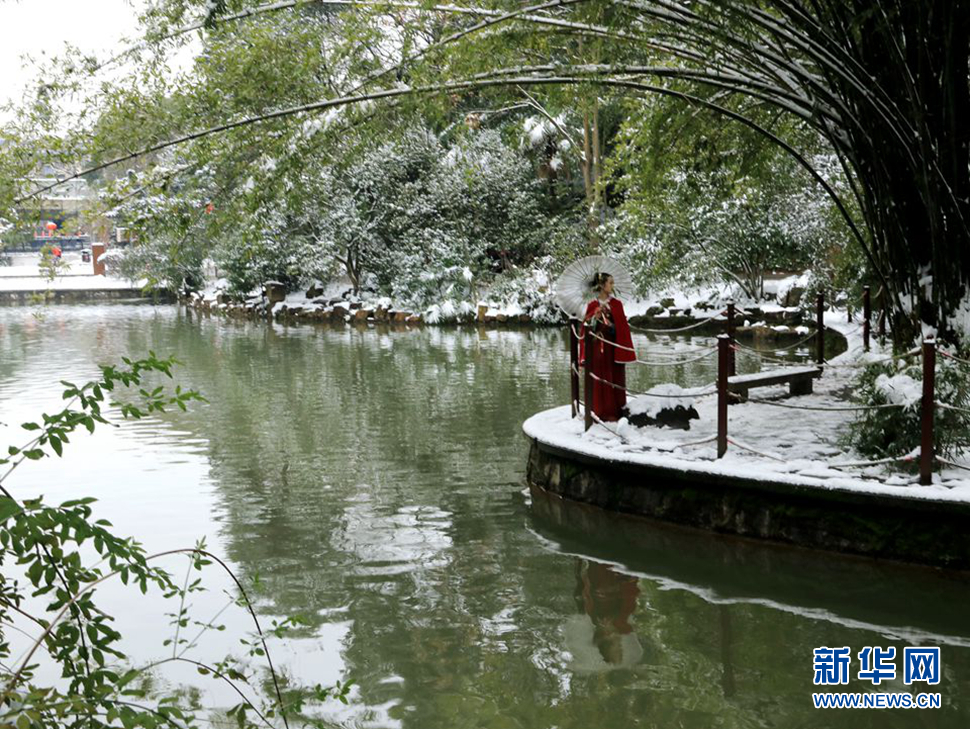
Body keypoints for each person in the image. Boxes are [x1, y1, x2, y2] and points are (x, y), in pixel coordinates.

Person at [579, 272, 635, 421]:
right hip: (597, 348)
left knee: (613, 378)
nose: (612, 285)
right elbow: (586, 329)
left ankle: (615, 412)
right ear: (602, 285)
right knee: (598, 379)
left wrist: (611, 324)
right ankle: (597, 411)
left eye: (612, 282)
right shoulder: (592, 305)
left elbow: (622, 329)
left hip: (612, 348)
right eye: (610, 282)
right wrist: (595, 318)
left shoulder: (616, 304)